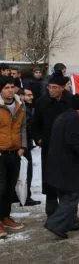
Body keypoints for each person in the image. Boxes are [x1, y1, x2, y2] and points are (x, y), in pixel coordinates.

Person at [44, 94, 79, 239]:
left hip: (57, 162)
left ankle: (70, 222)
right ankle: (56, 224)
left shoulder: (64, 116)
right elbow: (73, 141)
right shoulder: (74, 119)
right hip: (66, 163)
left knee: (66, 193)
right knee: (73, 194)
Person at [33, 71, 72, 217]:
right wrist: (39, 139)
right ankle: (51, 213)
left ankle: (68, 214)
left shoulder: (71, 101)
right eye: (50, 87)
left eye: (55, 87)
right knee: (50, 181)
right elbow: (35, 125)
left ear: (63, 87)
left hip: (67, 150)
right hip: (49, 148)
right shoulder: (41, 102)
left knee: (66, 183)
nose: (52, 90)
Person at [0, 76, 27, 238]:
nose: (10, 90)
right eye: (6, 87)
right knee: (0, 188)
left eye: (12, 86)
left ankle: (5, 217)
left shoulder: (20, 105)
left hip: (14, 152)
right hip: (0, 153)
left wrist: (23, 146)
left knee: (10, 188)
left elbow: (23, 128)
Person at [22, 87, 41, 206]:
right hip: (23, 145)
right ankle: (25, 197)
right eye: (28, 95)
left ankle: (24, 196)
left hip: (26, 143)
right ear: (22, 96)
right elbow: (28, 127)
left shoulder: (29, 108)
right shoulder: (24, 110)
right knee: (25, 172)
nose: (31, 97)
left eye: (32, 95)